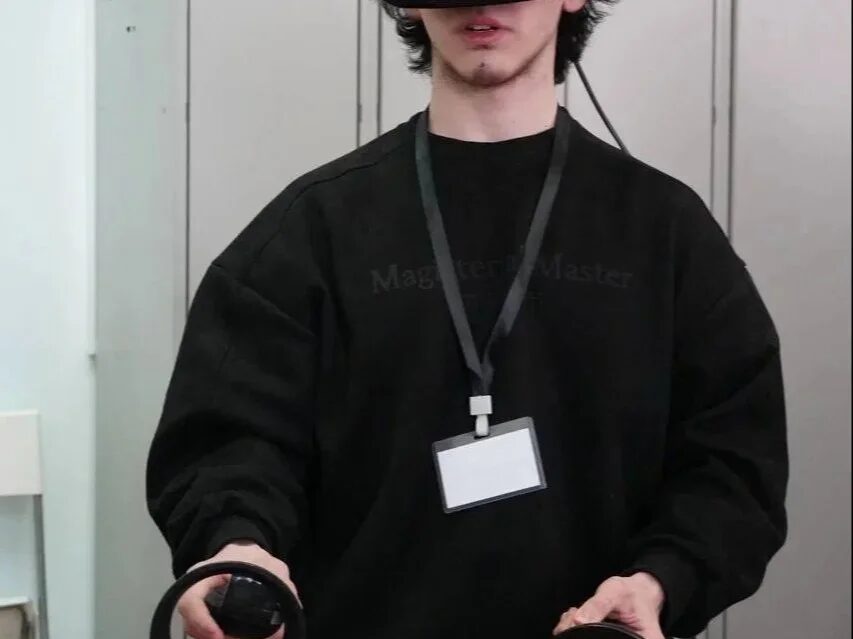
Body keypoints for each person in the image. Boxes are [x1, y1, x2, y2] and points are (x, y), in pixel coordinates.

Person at [145, 1, 789, 638]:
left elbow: (732, 464)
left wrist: (659, 581)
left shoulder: (665, 233)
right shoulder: (312, 231)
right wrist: (239, 544)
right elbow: (230, 440)